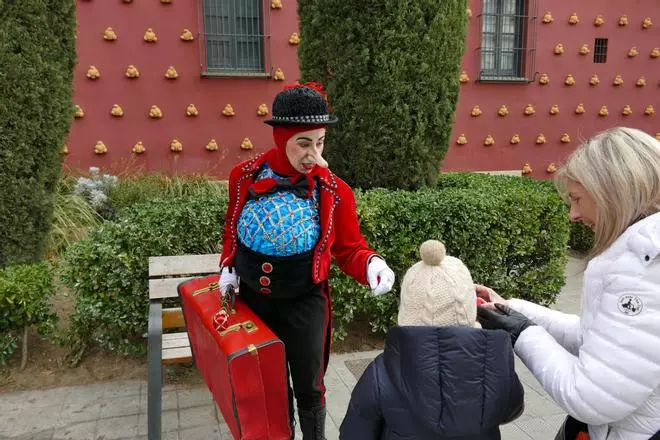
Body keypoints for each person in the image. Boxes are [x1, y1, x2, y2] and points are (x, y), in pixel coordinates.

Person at [217, 82, 396, 440]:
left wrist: (372, 264)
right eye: (303, 142)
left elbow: (349, 248)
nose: (313, 153)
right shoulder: (244, 176)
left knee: (309, 387)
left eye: (320, 142)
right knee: (270, 386)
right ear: (281, 136)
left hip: (305, 303)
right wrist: (228, 267)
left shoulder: (333, 189)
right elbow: (232, 228)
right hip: (254, 303)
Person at [476, 127, 660, 440]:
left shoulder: (641, 271)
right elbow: (599, 340)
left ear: (611, 192)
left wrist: (519, 332)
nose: (573, 214)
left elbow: (591, 397)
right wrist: (513, 311)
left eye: (577, 199)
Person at [339, 240, 524, 439]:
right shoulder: (495, 363)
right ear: (469, 306)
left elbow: (355, 432)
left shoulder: (382, 371)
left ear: (407, 309)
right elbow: (511, 409)